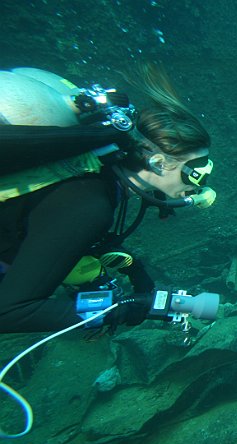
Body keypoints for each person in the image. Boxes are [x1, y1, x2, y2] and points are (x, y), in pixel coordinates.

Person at [0, 65, 216, 333]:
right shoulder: (91, 206)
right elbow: (10, 312)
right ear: (159, 163)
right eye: (196, 174)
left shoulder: (94, 175)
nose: (201, 188)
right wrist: (126, 307)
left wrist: (134, 270)